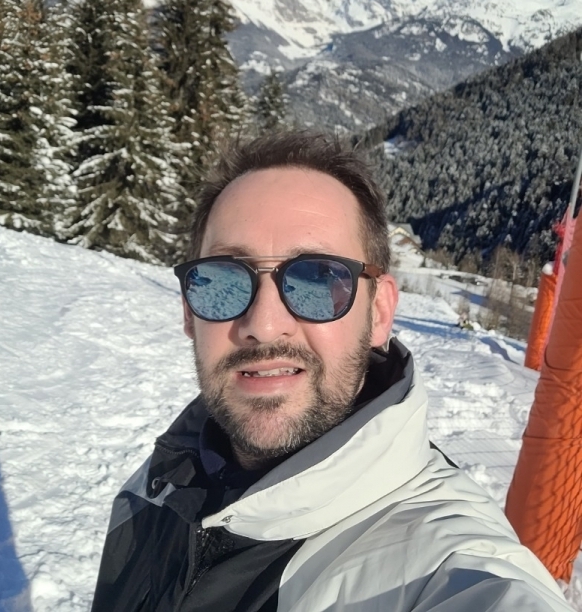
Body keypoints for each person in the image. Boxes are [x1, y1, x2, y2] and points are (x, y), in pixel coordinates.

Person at [91, 131, 572, 612]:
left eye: (317, 279)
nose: (264, 325)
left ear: (378, 313)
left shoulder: (447, 569)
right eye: (224, 279)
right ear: (188, 312)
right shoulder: (161, 483)